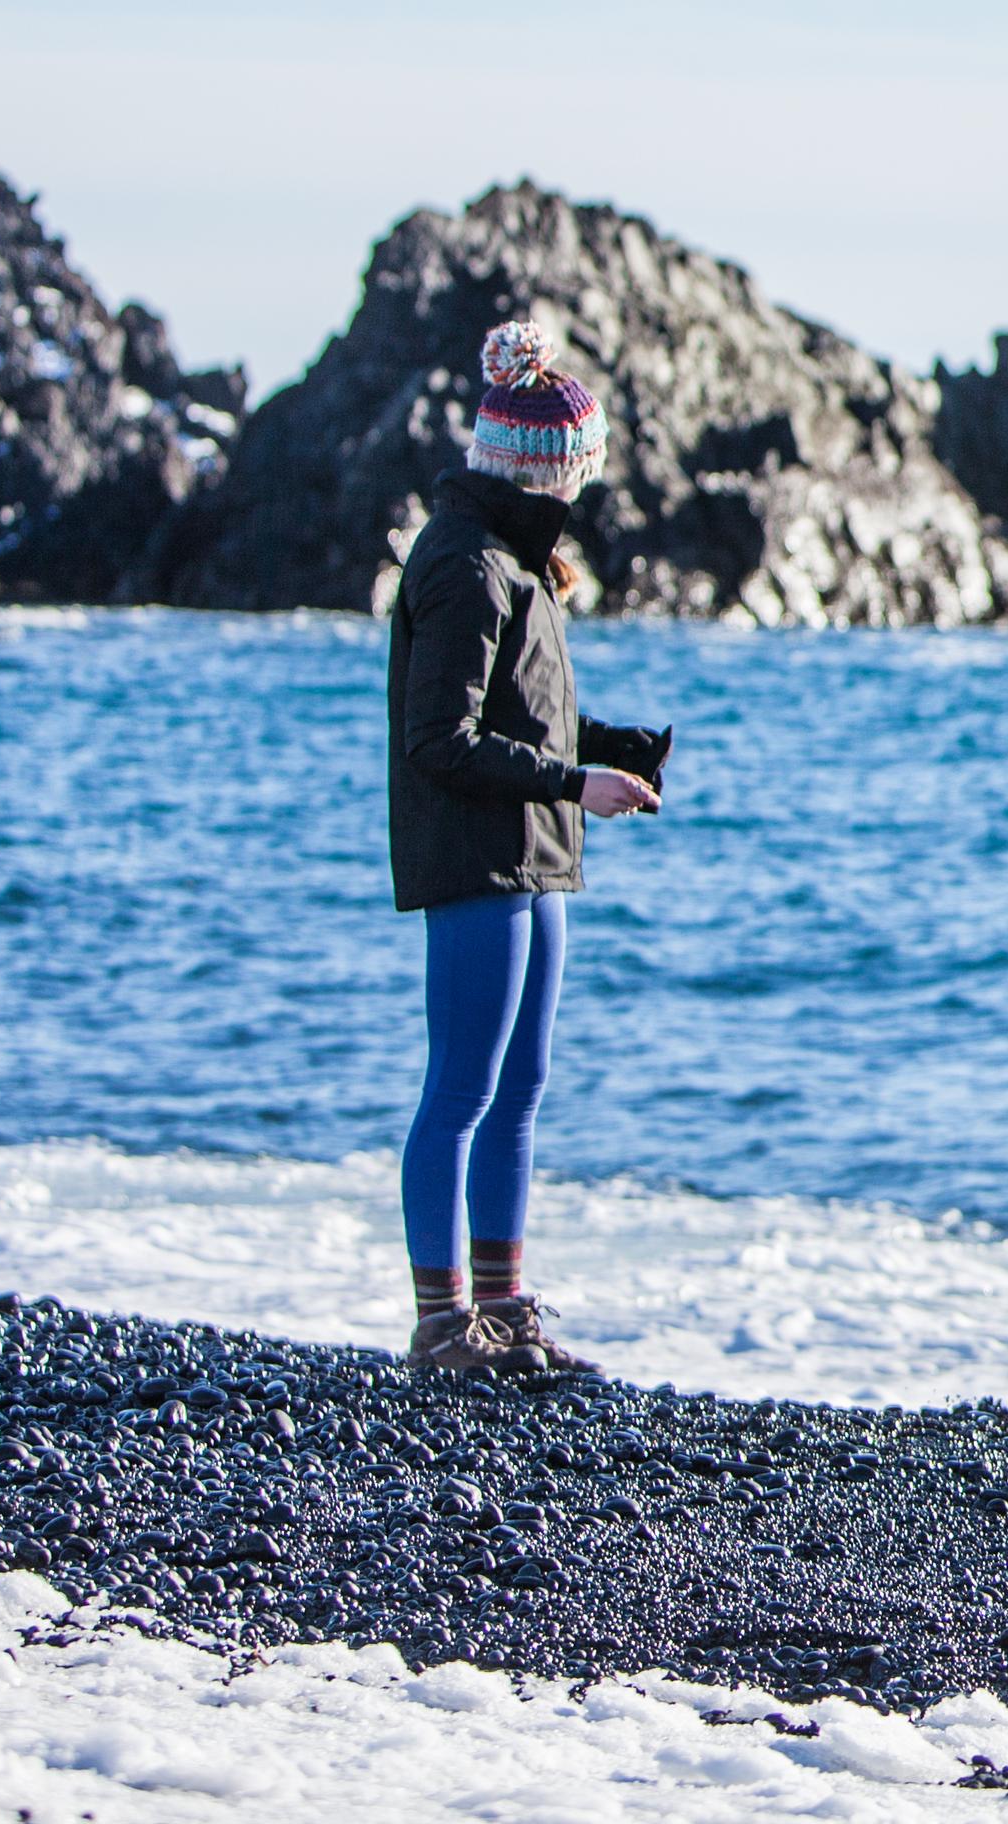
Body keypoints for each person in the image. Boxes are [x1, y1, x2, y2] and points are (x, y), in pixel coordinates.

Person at [385, 320, 665, 1379]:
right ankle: (441, 1322)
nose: (583, 497)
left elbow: (525, 719)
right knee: (460, 1087)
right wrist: (569, 781)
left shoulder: (520, 562)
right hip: (477, 858)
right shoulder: (464, 567)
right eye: (578, 478)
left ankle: (503, 1313)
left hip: (537, 853)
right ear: (540, 474)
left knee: (522, 1087)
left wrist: (606, 754)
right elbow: (439, 740)